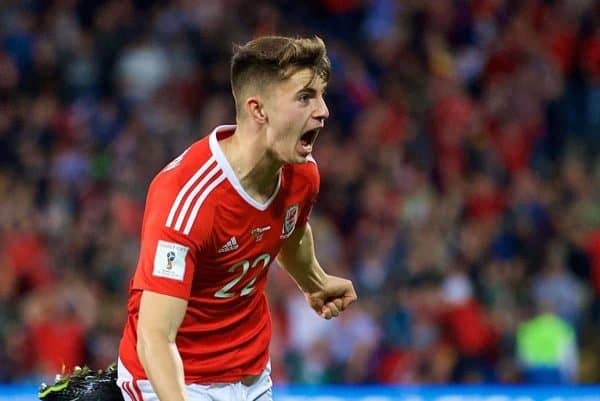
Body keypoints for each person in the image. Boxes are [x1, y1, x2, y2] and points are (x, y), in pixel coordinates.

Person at [115, 35, 357, 401]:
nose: (323, 110)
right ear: (259, 110)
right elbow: (155, 337)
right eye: (305, 97)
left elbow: (290, 231)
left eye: (321, 95)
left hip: (252, 376)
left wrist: (314, 281)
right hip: (174, 379)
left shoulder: (302, 175)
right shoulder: (186, 198)